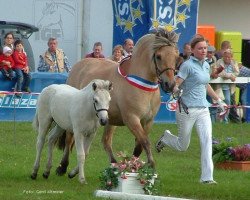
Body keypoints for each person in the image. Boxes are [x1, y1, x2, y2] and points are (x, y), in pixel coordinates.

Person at [155, 35, 227, 184]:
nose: (203, 51)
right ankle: (166, 138)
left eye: (205, 48)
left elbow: (205, 84)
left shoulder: (206, 65)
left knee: (207, 142)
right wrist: (176, 90)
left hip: (203, 110)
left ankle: (207, 178)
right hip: (186, 110)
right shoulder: (187, 65)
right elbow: (176, 83)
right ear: (193, 50)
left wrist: (218, 100)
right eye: (200, 48)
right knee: (183, 146)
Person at [215, 49, 239, 123]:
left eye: (229, 57)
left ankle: (225, 120)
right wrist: (229, 76)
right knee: (218, 103)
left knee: (228, 102)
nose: (227, 58)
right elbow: (220, 72)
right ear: (223, 56)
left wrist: (231, 76)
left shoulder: (234, 63)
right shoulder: (219, 62)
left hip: (228, 87)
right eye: (225, 57)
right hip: (219, 87)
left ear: (231, 57)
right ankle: (217, 120)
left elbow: (237, 72)